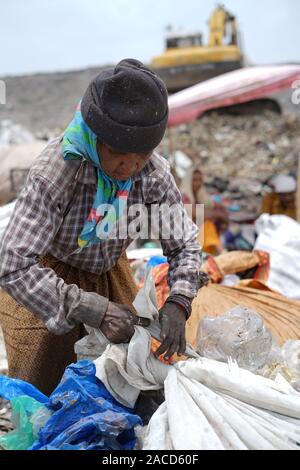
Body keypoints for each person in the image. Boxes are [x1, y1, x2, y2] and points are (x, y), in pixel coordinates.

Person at [0, 59, 204, 395]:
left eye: (143, 154)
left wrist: (179, 302)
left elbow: (184, 245)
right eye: (119, 153)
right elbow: (13, 265)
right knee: (44, 387)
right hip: (48, 278)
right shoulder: (57, 172)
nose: (131, 166)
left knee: (125, 381)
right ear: (96, 137)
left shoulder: (151, 173)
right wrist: (90, 308)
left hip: (110, 272)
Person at [181, 166, 228, 255]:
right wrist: (218, 214)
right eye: (195, 180)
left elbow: (219, 209)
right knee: (207, 225)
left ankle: (219, 251)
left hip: (200, 237)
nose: (198, 183)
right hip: (187, 237)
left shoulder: (201, 197)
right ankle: (222, 252)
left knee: (209, 224)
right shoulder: (184, 197)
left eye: (200, 180)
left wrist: (220, 214)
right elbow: (197, 213)